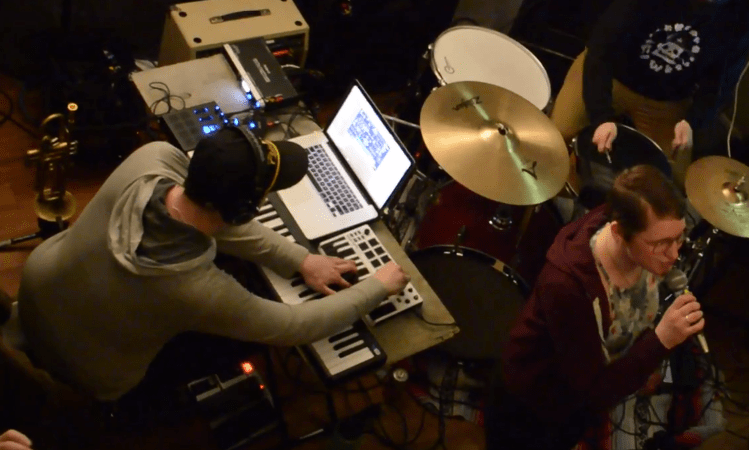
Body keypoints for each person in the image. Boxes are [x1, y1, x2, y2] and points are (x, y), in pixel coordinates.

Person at [3, 126, 409, 401]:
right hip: (91, 374)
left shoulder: (152, 158)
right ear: (250, 208)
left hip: (35, 299)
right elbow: (292, 327)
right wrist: (376, 287)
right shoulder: (195, 289)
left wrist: (300, 258)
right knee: (225, 348)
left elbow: (214, 219)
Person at [484, 165, 705, 450]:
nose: (674, 255)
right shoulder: (566, 288)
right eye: (661, 243)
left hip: (579, 390)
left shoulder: (626, 219)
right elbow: (591, 392)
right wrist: (661, 341)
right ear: (618, 233)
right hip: (535, 406)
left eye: (679, 238)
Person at [550, 0, 749, 180]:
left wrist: (692, 122)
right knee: (557, 136)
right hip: (613, 75)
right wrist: (601, 115)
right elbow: (602, 46)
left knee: (673, 177)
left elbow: (720, 84)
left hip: (665, 101)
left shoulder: (743, 17)